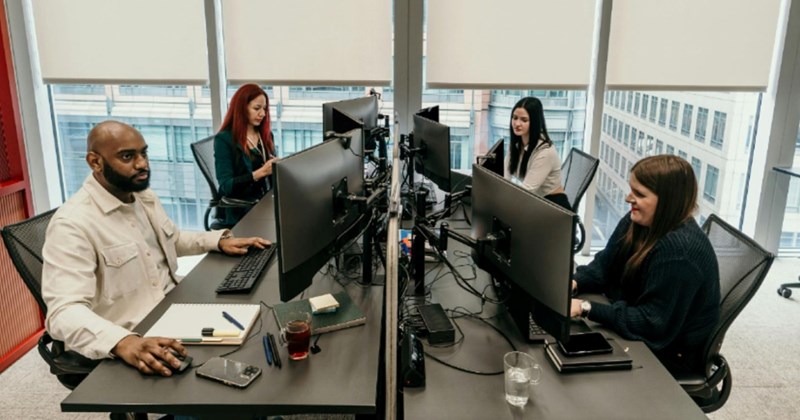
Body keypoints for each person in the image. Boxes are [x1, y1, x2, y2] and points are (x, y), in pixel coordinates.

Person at [42, 121, 269, 377]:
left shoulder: (142, 196)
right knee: (216, 384)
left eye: (144, 153)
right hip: (135, 332)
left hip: (174, 309)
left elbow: (170, 240)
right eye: (127, 156)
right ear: (95, 162)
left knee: (256, 333)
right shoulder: (73, 224)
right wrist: (124, 342)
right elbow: (63, 312)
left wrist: (217, 241)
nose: (142, 164)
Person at [569, 155, 720, 375]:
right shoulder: (639, 222)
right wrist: (573, 283)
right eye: (632, 189)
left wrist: (586, 308)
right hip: (641, 329)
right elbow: (603, 266)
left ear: (668, 201)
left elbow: (652, 323)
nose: (628, 198)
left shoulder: (680, 252)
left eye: (639, 194)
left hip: (669, 355)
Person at [214, 83, 277, 227]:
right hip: (241, 209)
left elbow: (271, 176)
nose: (262, 114)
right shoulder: (224, 140)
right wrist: (260, 173)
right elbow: (226, 186)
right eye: (257, 108)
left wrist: (278, 167)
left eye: (264, 109)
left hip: (264, 202)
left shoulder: (265, 136)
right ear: (242, 108)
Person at [504, 96, 570, 210]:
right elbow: (505, 176)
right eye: (514, 118)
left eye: (524, 120)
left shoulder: (545, 152)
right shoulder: (517, 143)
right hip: (536, 200)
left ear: (534, 122)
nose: (517, 123)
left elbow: (525, 192)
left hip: (554, 207)